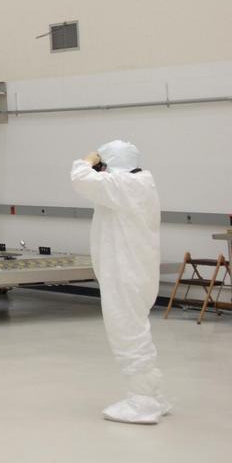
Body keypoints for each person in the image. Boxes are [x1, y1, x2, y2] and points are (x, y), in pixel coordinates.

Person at [71, 140, 169, 424]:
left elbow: (79, 177)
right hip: (137, 272)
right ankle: (154, 394)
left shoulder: (124, 186)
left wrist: (88, 159)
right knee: (137, 332)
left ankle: (143, 404)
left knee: (127, 334)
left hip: (124, 274)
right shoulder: (141, 184)